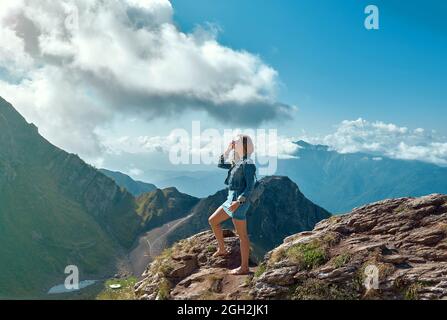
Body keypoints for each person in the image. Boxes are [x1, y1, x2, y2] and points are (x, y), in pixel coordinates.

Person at [208, 134, 256, 275]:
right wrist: (228, 149)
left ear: (243, 145)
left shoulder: (248, 164)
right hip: (230, 199)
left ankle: (244, 267)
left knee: (242, 236)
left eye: (237, 141)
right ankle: (222, 249)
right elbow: (220, 163)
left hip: (239, 202)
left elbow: (250, 187)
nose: (234, 143)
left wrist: (238, 202)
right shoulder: (238, 162)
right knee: (213, 221)